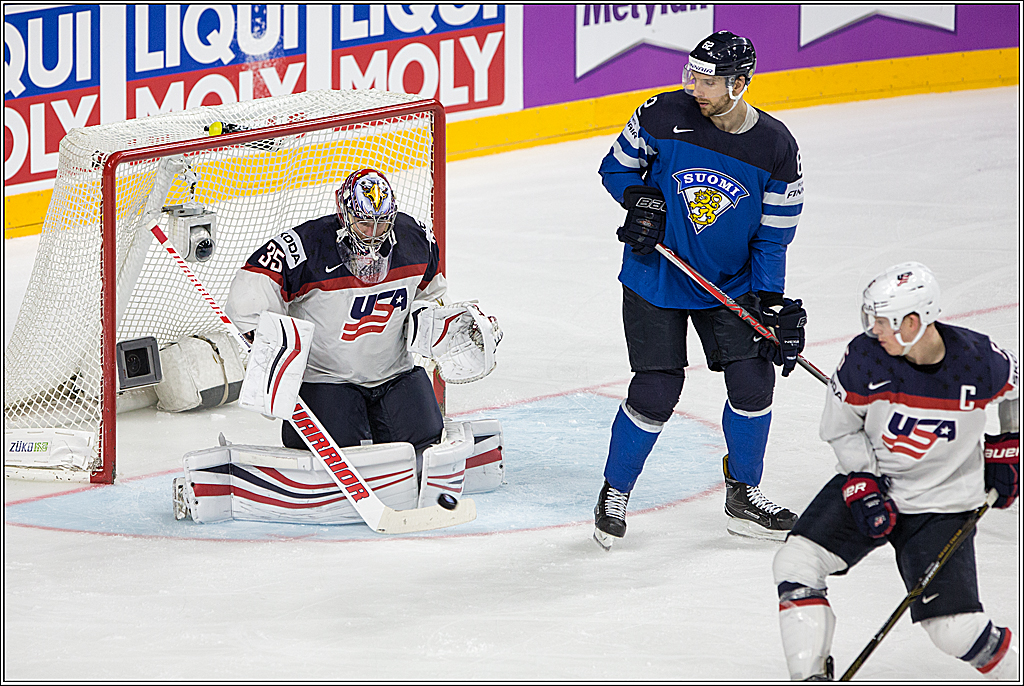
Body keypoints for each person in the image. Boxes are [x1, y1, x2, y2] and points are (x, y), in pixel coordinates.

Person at [593, 30, 807, 547]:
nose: (693, 86)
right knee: (655, 390)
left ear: (739, 84)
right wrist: (641, 201)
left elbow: (774, 236)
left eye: (707, 80)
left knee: (754, 385)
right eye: (691, 74)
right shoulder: (660, 113)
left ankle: (744, 493)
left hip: (730, 287)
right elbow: (615, 169)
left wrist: (770, 299)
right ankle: (614, 491)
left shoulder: (776, 146)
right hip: (656, 276)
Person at [772, 262, 1019, 680]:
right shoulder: (865, 359)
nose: (874, 330)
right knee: (796, 563)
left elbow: (1016, 387)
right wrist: (863, 481)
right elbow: (841, 426)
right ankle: (810, 675)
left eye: (882, 321)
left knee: (954, 633)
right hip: (879, 485)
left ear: (914, 321)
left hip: (944, 504)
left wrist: (1008, 445)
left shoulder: (977, 360)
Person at [225, 167, 478, 456]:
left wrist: (449, 327)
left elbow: (432, 297)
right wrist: (274, 359)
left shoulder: (415, 240)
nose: (373, 234)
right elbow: (246, 300)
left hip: (394, 373)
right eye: (363, 223)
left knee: (426, 441)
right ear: (344, 213)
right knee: (333, 452)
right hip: (327, 379)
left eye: (382, 224)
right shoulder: (306, 246)